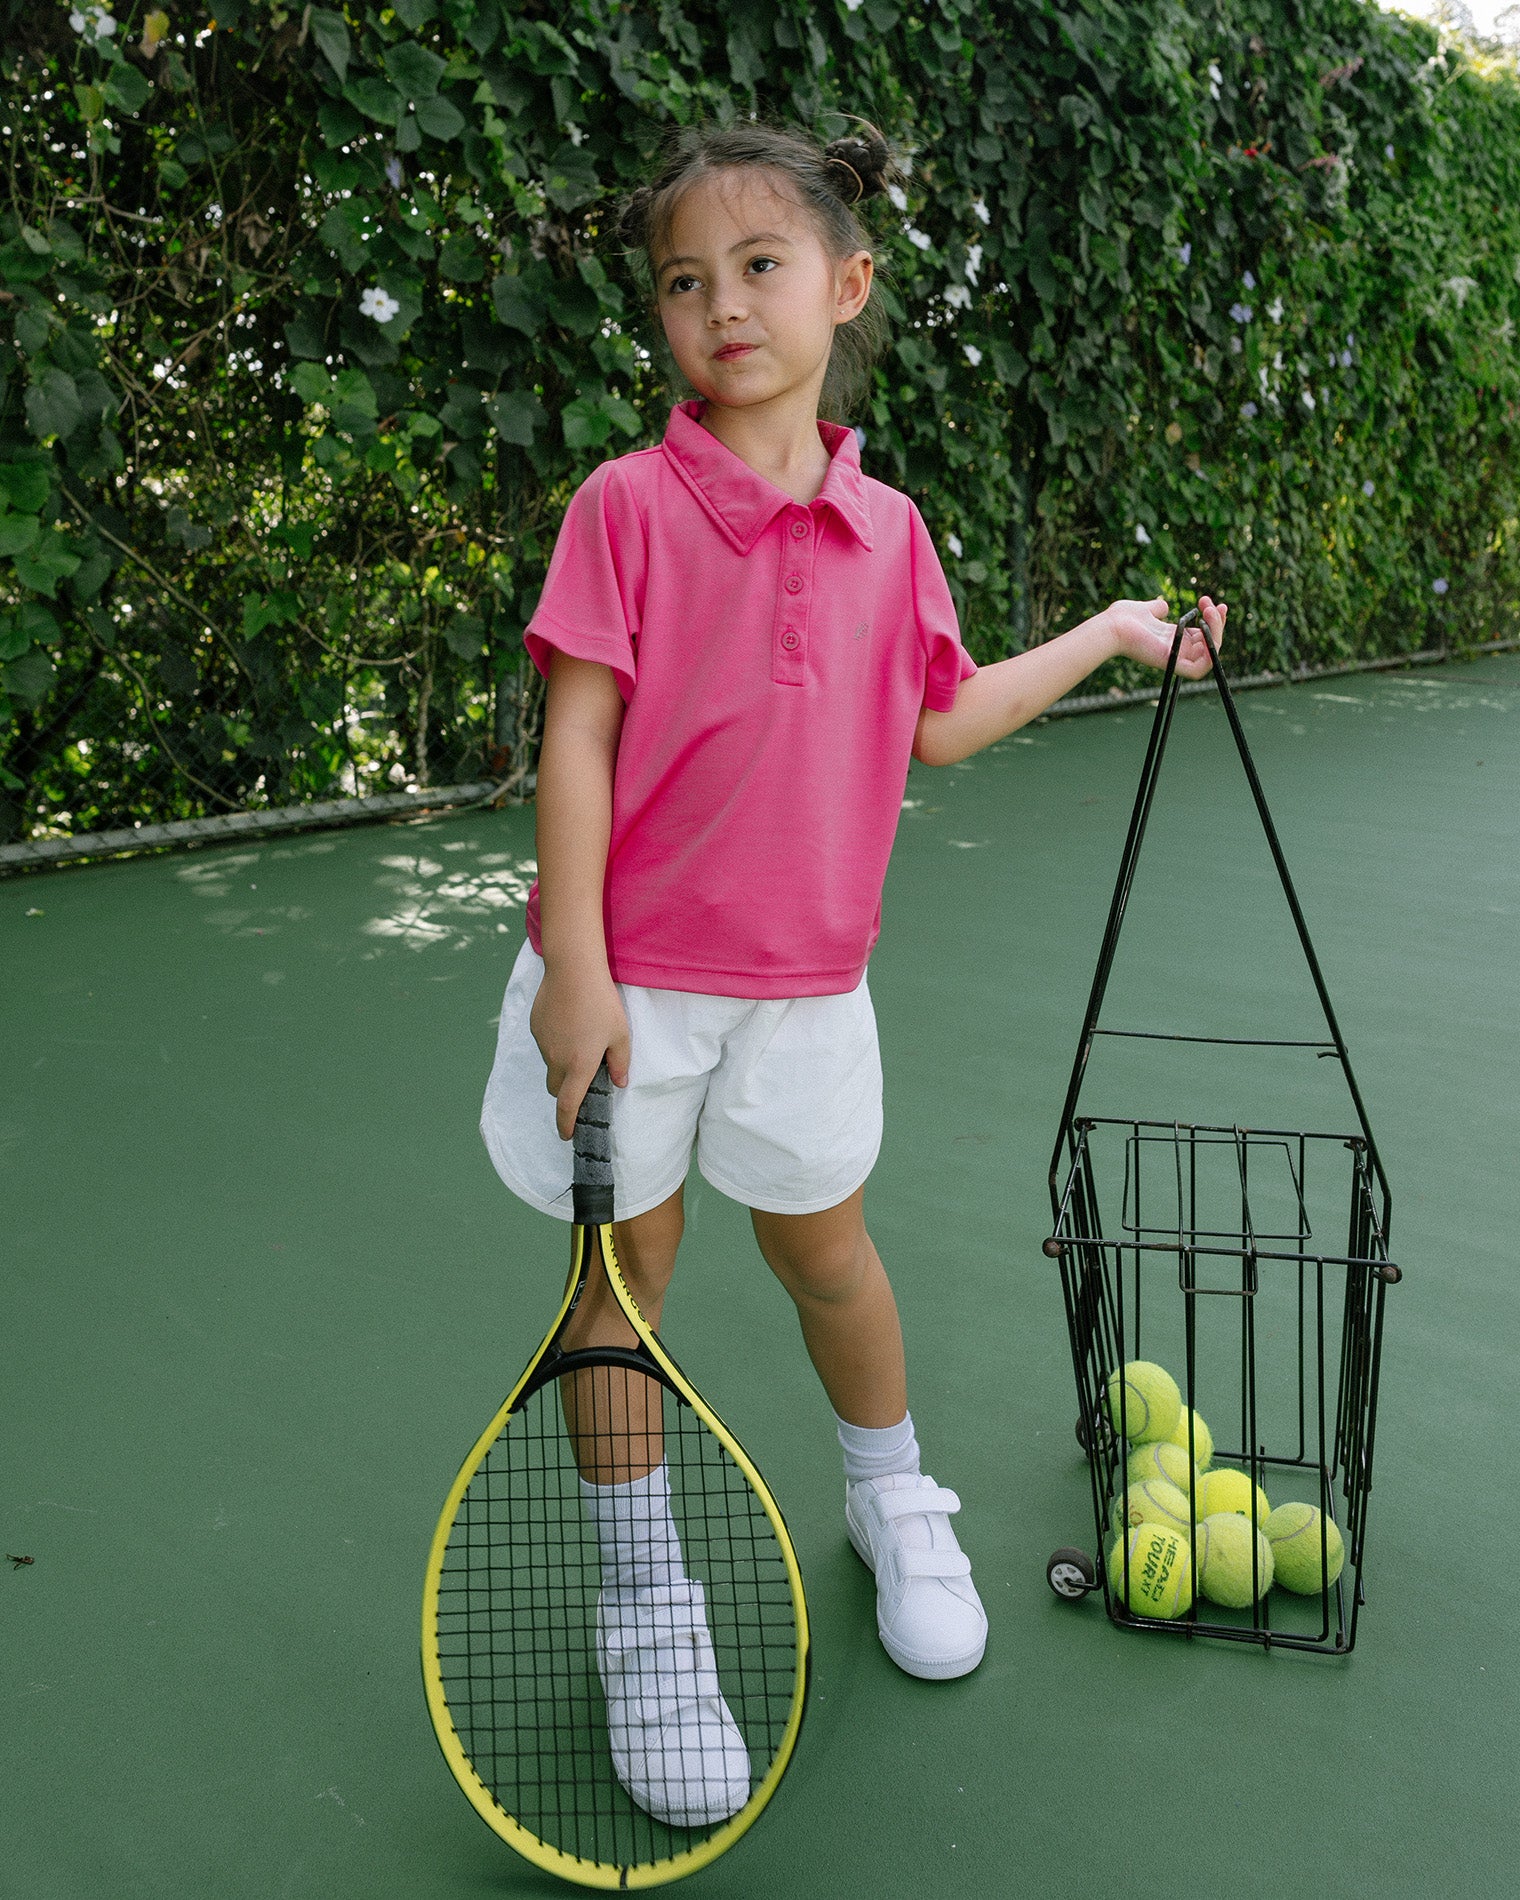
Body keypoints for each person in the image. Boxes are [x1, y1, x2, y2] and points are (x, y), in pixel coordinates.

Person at [481, 120, 1225, 1821]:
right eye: (685, 280)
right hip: (628, 995)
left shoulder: (892, 534)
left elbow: (939, 722)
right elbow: (578, 739)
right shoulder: (624, 506)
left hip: (810, 992)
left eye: (760, 266)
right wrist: (579, 970)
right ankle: (643, 1599)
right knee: (629, 1287)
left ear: (846, 283)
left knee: (830, 1259)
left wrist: (1114, 634)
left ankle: (893, 1498)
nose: (722, 304)